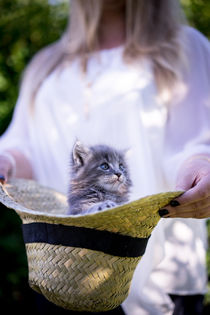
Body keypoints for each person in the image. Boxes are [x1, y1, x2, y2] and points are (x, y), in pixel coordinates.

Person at [0, 0, 210, 314]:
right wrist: (6, 161)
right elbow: (27, 148)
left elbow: (194, 141)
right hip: (63, 270)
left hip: (156, 273)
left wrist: (200, 168)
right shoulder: (47, 64)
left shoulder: (182, 45)